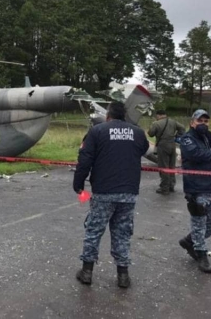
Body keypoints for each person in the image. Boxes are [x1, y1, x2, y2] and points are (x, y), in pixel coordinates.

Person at [72, 102, 150, 289]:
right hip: (128, 193)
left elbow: (85, 159)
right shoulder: (138, 133)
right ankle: (123, 275)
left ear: (108, 115)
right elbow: (143, 149)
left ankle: (87, 272)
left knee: (94, 231)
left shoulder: (97, 131)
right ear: (125, 116)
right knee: (122, 233)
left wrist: (78, 184)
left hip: (103, 192)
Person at [178, 109, 211, 274]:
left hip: (210, 187)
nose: (203, 124)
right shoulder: (186, 139)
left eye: (206, 122)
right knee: (199, 223)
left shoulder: (209, 139)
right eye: (200, 121)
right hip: (195, 188)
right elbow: (195, 154)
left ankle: (189, 241)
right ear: (192, 122)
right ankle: (201, 254)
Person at [147, 109, 185, 195]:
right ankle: (171, 185)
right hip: (172, 145)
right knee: (171, 166)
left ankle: (164, 188)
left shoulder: (156, 123)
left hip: (162, 146)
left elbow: (151, 134)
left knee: (163, 167)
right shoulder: (173, 122)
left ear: (158, 115)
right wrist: (177, 136)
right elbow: (182, 128)